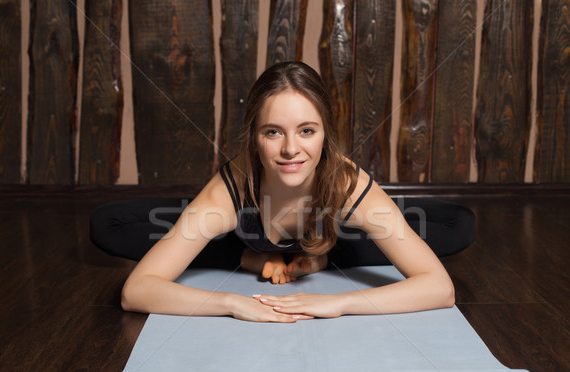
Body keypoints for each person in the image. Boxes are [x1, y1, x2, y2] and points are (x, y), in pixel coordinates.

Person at [90, 61, 475, 322]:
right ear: (254, 138)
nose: (291, 149)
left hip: (334, 236)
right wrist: (231, 303)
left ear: (325, 134)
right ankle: (247, 254)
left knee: (456, 223)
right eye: (273, 132)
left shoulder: (345, 181)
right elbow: (135, 292)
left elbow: (440, 288)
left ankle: (324, 255)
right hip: (239, 235)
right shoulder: (232, 187)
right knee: (110, 223)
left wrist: (339, 302)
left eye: (307, 130)